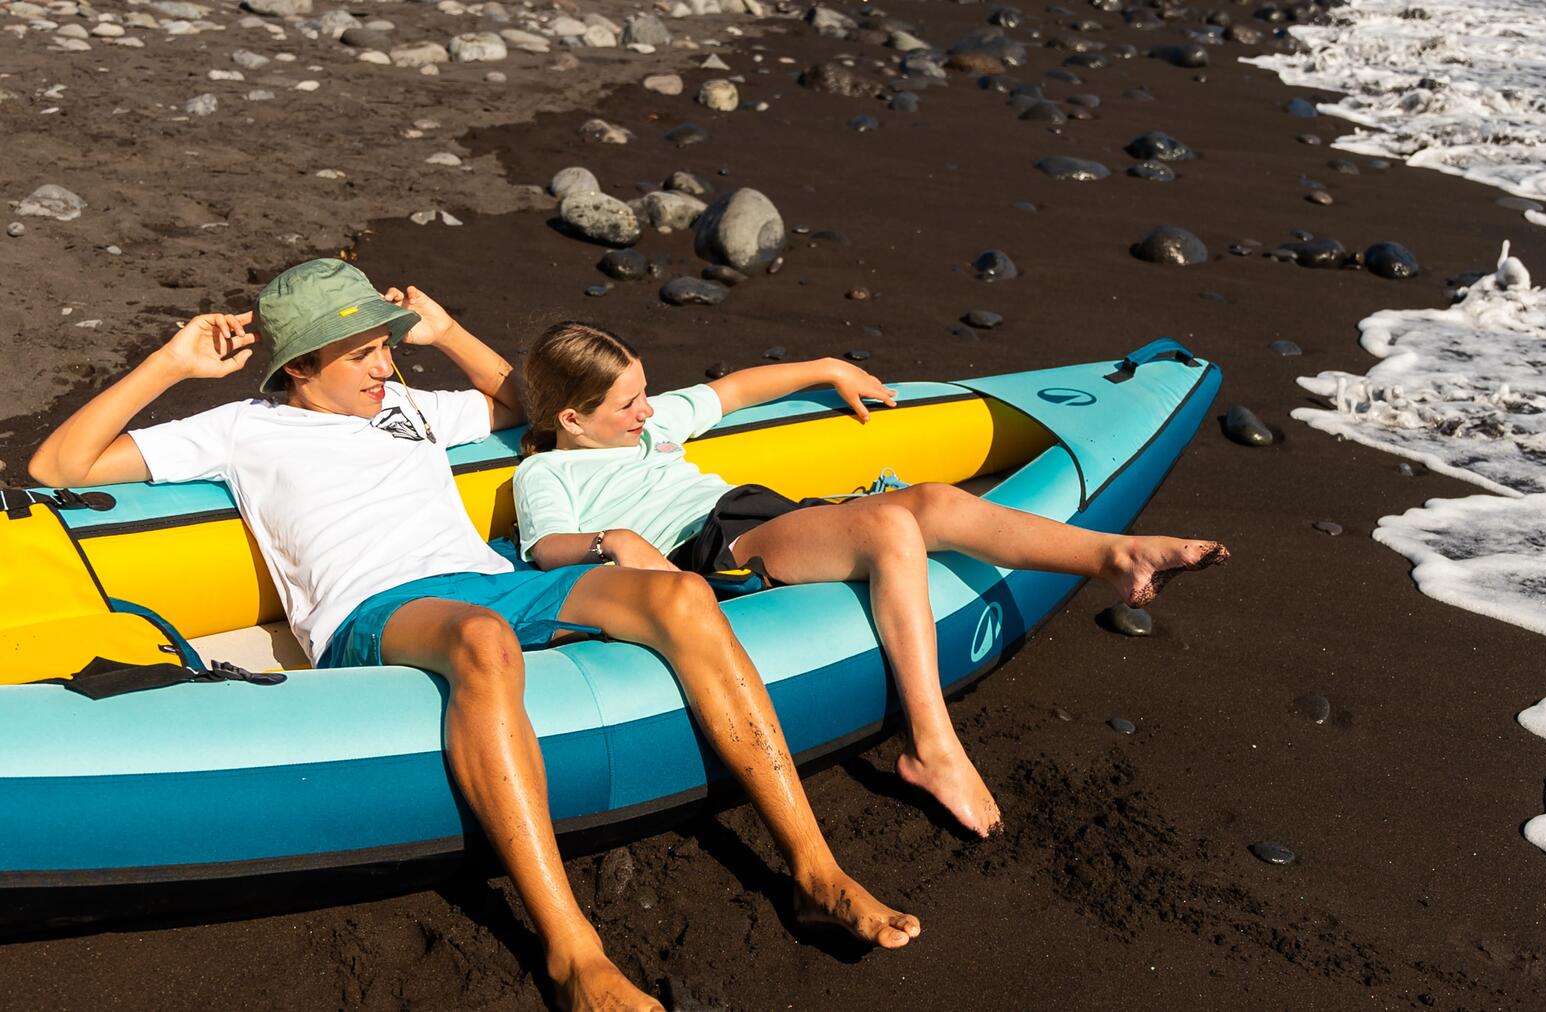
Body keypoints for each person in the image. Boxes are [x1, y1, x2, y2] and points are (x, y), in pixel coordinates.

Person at [27, 259, 917, 1012]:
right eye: (363, 351)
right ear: (299, 365)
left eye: (384, 344)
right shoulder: (240, 429)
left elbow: (525, 407)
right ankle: (574, 952)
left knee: (680, 599)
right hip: (373, 610)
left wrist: (445, 334)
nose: (384, 364)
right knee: (486, 642)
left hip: (488, 579)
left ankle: (812, 870)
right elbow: (57, 466)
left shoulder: (407, 408)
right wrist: (171, 362)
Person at [511, 322, 1231, 839]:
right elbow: (545, 548)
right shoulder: (548, 470)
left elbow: (730, 391)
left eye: (644, 391)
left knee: (939, 502)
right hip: (708, 546)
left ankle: (1114, 558)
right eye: (628, 403)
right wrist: (615, 539)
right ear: (571, 418)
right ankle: (932, 746)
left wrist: (826, 365)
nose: (647, 410)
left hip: (753, 512)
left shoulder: (649, 423)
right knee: (891, 529)